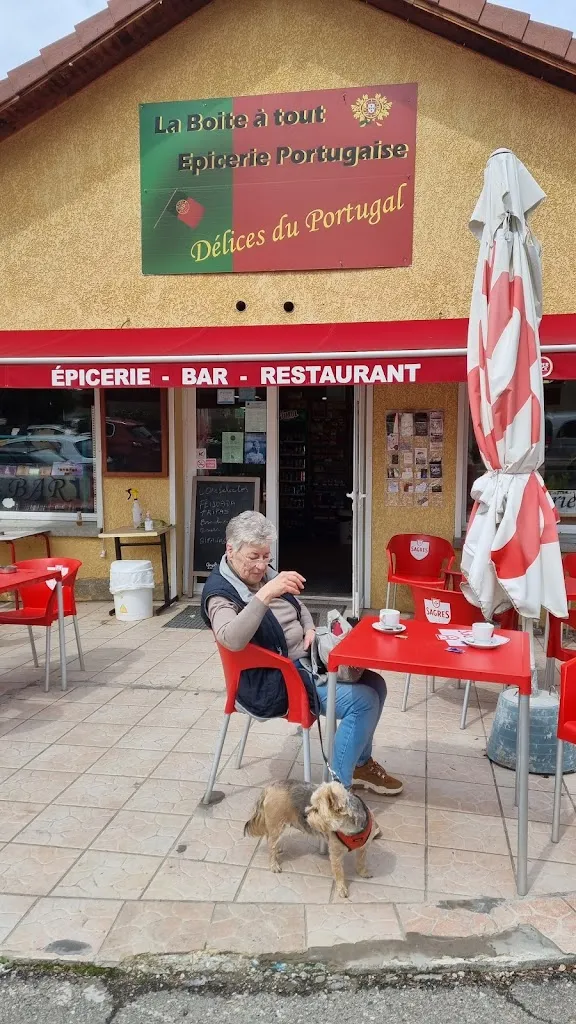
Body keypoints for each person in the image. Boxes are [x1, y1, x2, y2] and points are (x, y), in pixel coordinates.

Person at [201, 510, 403, 795]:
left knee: (376, 684)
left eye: (266, 556)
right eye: (254, 557)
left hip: (306, 661)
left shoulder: (266, 574)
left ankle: (360, 764)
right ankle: (336, 795)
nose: (261, 566)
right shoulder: (220, 594)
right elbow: (230, 640)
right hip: (273, 679)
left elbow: (300, 606)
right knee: (364, 702)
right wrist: (265, 594)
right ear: (230, 550)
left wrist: (308, 627)